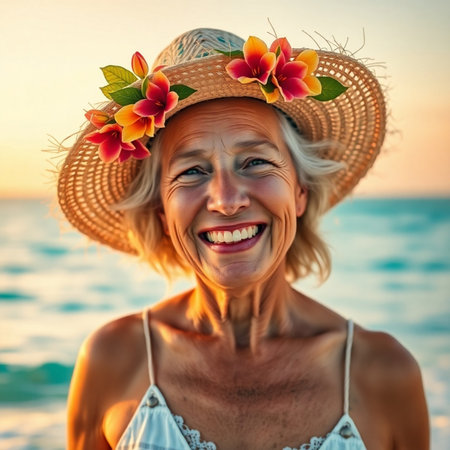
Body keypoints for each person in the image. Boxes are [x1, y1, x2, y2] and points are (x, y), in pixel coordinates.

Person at [59, 29, 429, 449]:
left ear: (300, 192)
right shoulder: (112, 360)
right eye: (192, 171)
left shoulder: (383, 372)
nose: (227, 200)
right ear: (163, 213)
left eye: (255, 161)